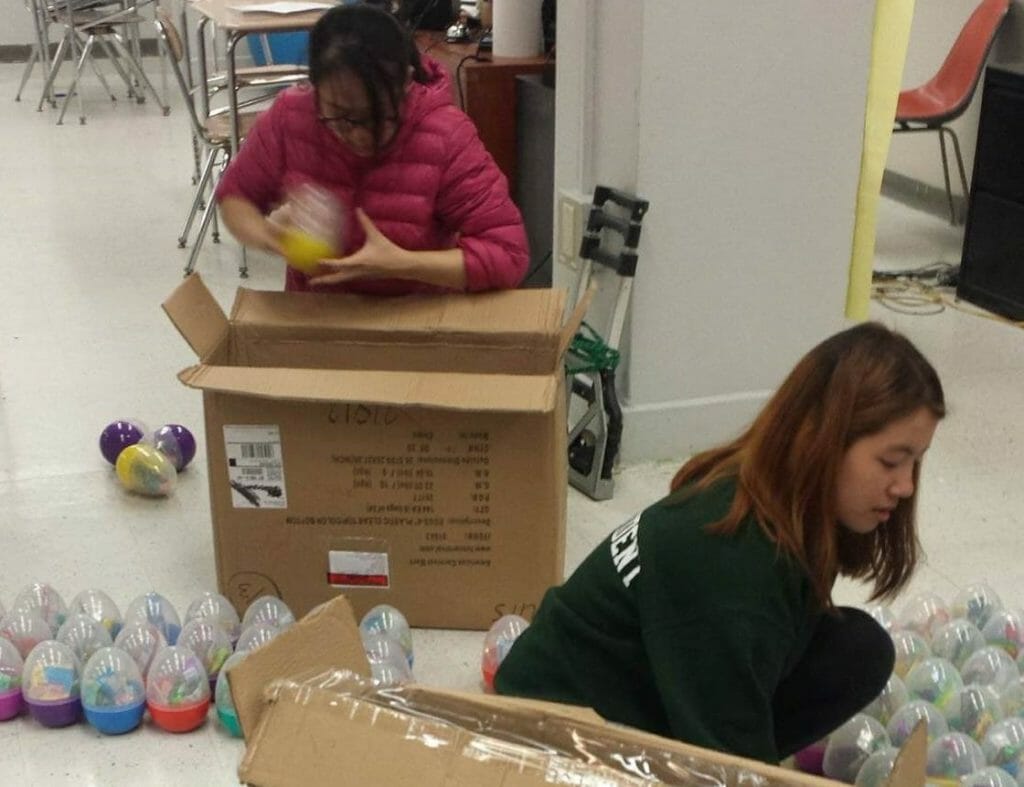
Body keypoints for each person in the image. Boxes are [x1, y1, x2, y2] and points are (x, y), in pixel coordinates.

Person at [494, 322, 945, 764]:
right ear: (822, 442)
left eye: (915, 463)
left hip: (645, 674)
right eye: (890, 461)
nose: (905, 486)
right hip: (553, 721)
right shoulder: (734, 561)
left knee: (857, 650)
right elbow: (727, 766)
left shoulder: (782, 499)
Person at [215, 4, 528, 295]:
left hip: (414, 324)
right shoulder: (292, 116)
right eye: (340, 116)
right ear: (314, 88)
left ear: (405, 82)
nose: (360, 135)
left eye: (377, 116)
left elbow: (508, 255)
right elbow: (236, 197)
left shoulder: (445, 135)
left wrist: (402, 264)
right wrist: (274, 239)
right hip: (315, 318)